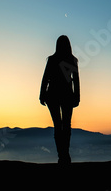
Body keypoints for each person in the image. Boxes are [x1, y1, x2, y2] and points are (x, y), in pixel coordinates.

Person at [39, 35, 80, 164]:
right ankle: (65, 155)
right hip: (67, 95)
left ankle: (61, 155)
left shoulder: (52, 60)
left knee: (58, 125)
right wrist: (77, 97)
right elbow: (76, 81)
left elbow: (45, 78)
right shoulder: (72, 60)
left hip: (53, 95)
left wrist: (42, 95)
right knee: (66, 125)